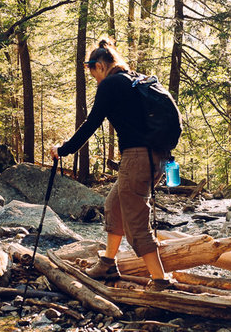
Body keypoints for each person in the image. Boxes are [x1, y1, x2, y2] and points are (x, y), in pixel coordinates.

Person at [49, 38, 173, 291]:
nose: (93, 77)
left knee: (136, 220)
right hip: (158, 158)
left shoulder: (111, 84)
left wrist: (63, 150)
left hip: (137, 158)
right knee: (114, 204)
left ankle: (161, 281)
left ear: (100, 66)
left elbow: (91, 123)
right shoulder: (133, 80)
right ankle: (108, 262)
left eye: (92, 71)